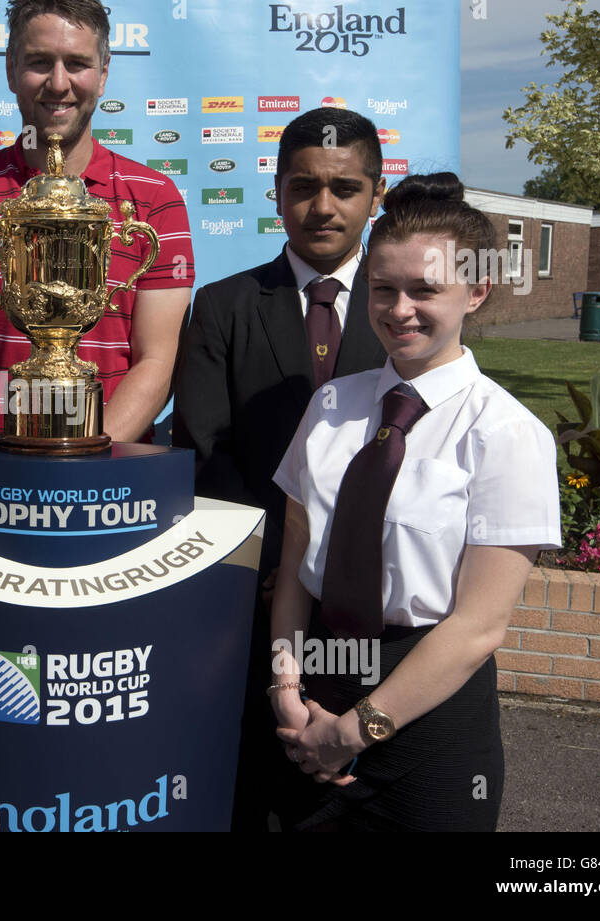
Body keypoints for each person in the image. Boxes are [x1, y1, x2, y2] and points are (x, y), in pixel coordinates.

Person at [269, 173, 561, 830]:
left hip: (429, 715)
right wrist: (286, 689)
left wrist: (354, 731)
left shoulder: (507, 434)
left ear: (476, 290)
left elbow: (478, 626)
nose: (400, 309)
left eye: (425, 289)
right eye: (383, 287)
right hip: (314, 690)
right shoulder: (331, 405)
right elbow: (293, 564)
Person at [170, 106, 388, 830]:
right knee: (254, 784)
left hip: (375, 605)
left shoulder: (405, 316)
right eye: (302, 186)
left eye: (345, 187)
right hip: (253, 599)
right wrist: (277, 566)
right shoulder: (225, 305)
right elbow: (205, 447)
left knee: (363, 790)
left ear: (376, 193)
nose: (322, 206)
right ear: (276, 193)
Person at [0, 0, 194, 442]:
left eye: (77, 63)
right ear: (10, 70)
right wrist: (6, 460)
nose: (58, 84)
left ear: (103, 73)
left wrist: (82, 461)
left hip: (109, 477)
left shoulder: (155, 197)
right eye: (40, 62)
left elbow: (158, 360)